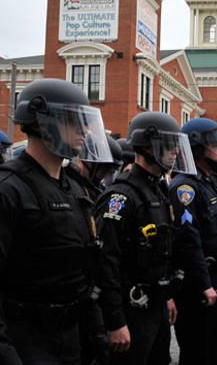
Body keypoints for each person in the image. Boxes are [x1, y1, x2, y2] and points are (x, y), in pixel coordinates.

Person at [0, 78, 113, 364]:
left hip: (72, 337)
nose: (84, 130)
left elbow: (86, 270)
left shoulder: (75, 189)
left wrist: (98, 328)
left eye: (85, 121)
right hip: (25, 341)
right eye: (73, 120)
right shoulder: (9, 189)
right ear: (40, 121)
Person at [96, 112, 196, 365]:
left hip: (156, 306)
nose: (174, 151)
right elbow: (106, 263)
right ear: (146, 146)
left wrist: (167, 298)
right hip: (131, 310)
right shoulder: (121, 197)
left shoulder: (158, 191)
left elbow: (164, 249)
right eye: (168, 144)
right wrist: (115, 321)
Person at [169, 118, 217, 365]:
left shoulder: (210, 182)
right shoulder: (185, 188)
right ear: (197, 147)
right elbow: (188, 239)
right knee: (198, 351)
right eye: (215, 144)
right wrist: (203, 283)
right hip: (201, 282)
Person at [64, 134, 123, 365]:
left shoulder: (94, 190)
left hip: (93, 292)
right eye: (102, 169)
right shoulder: (69, 187)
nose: (104, 176)